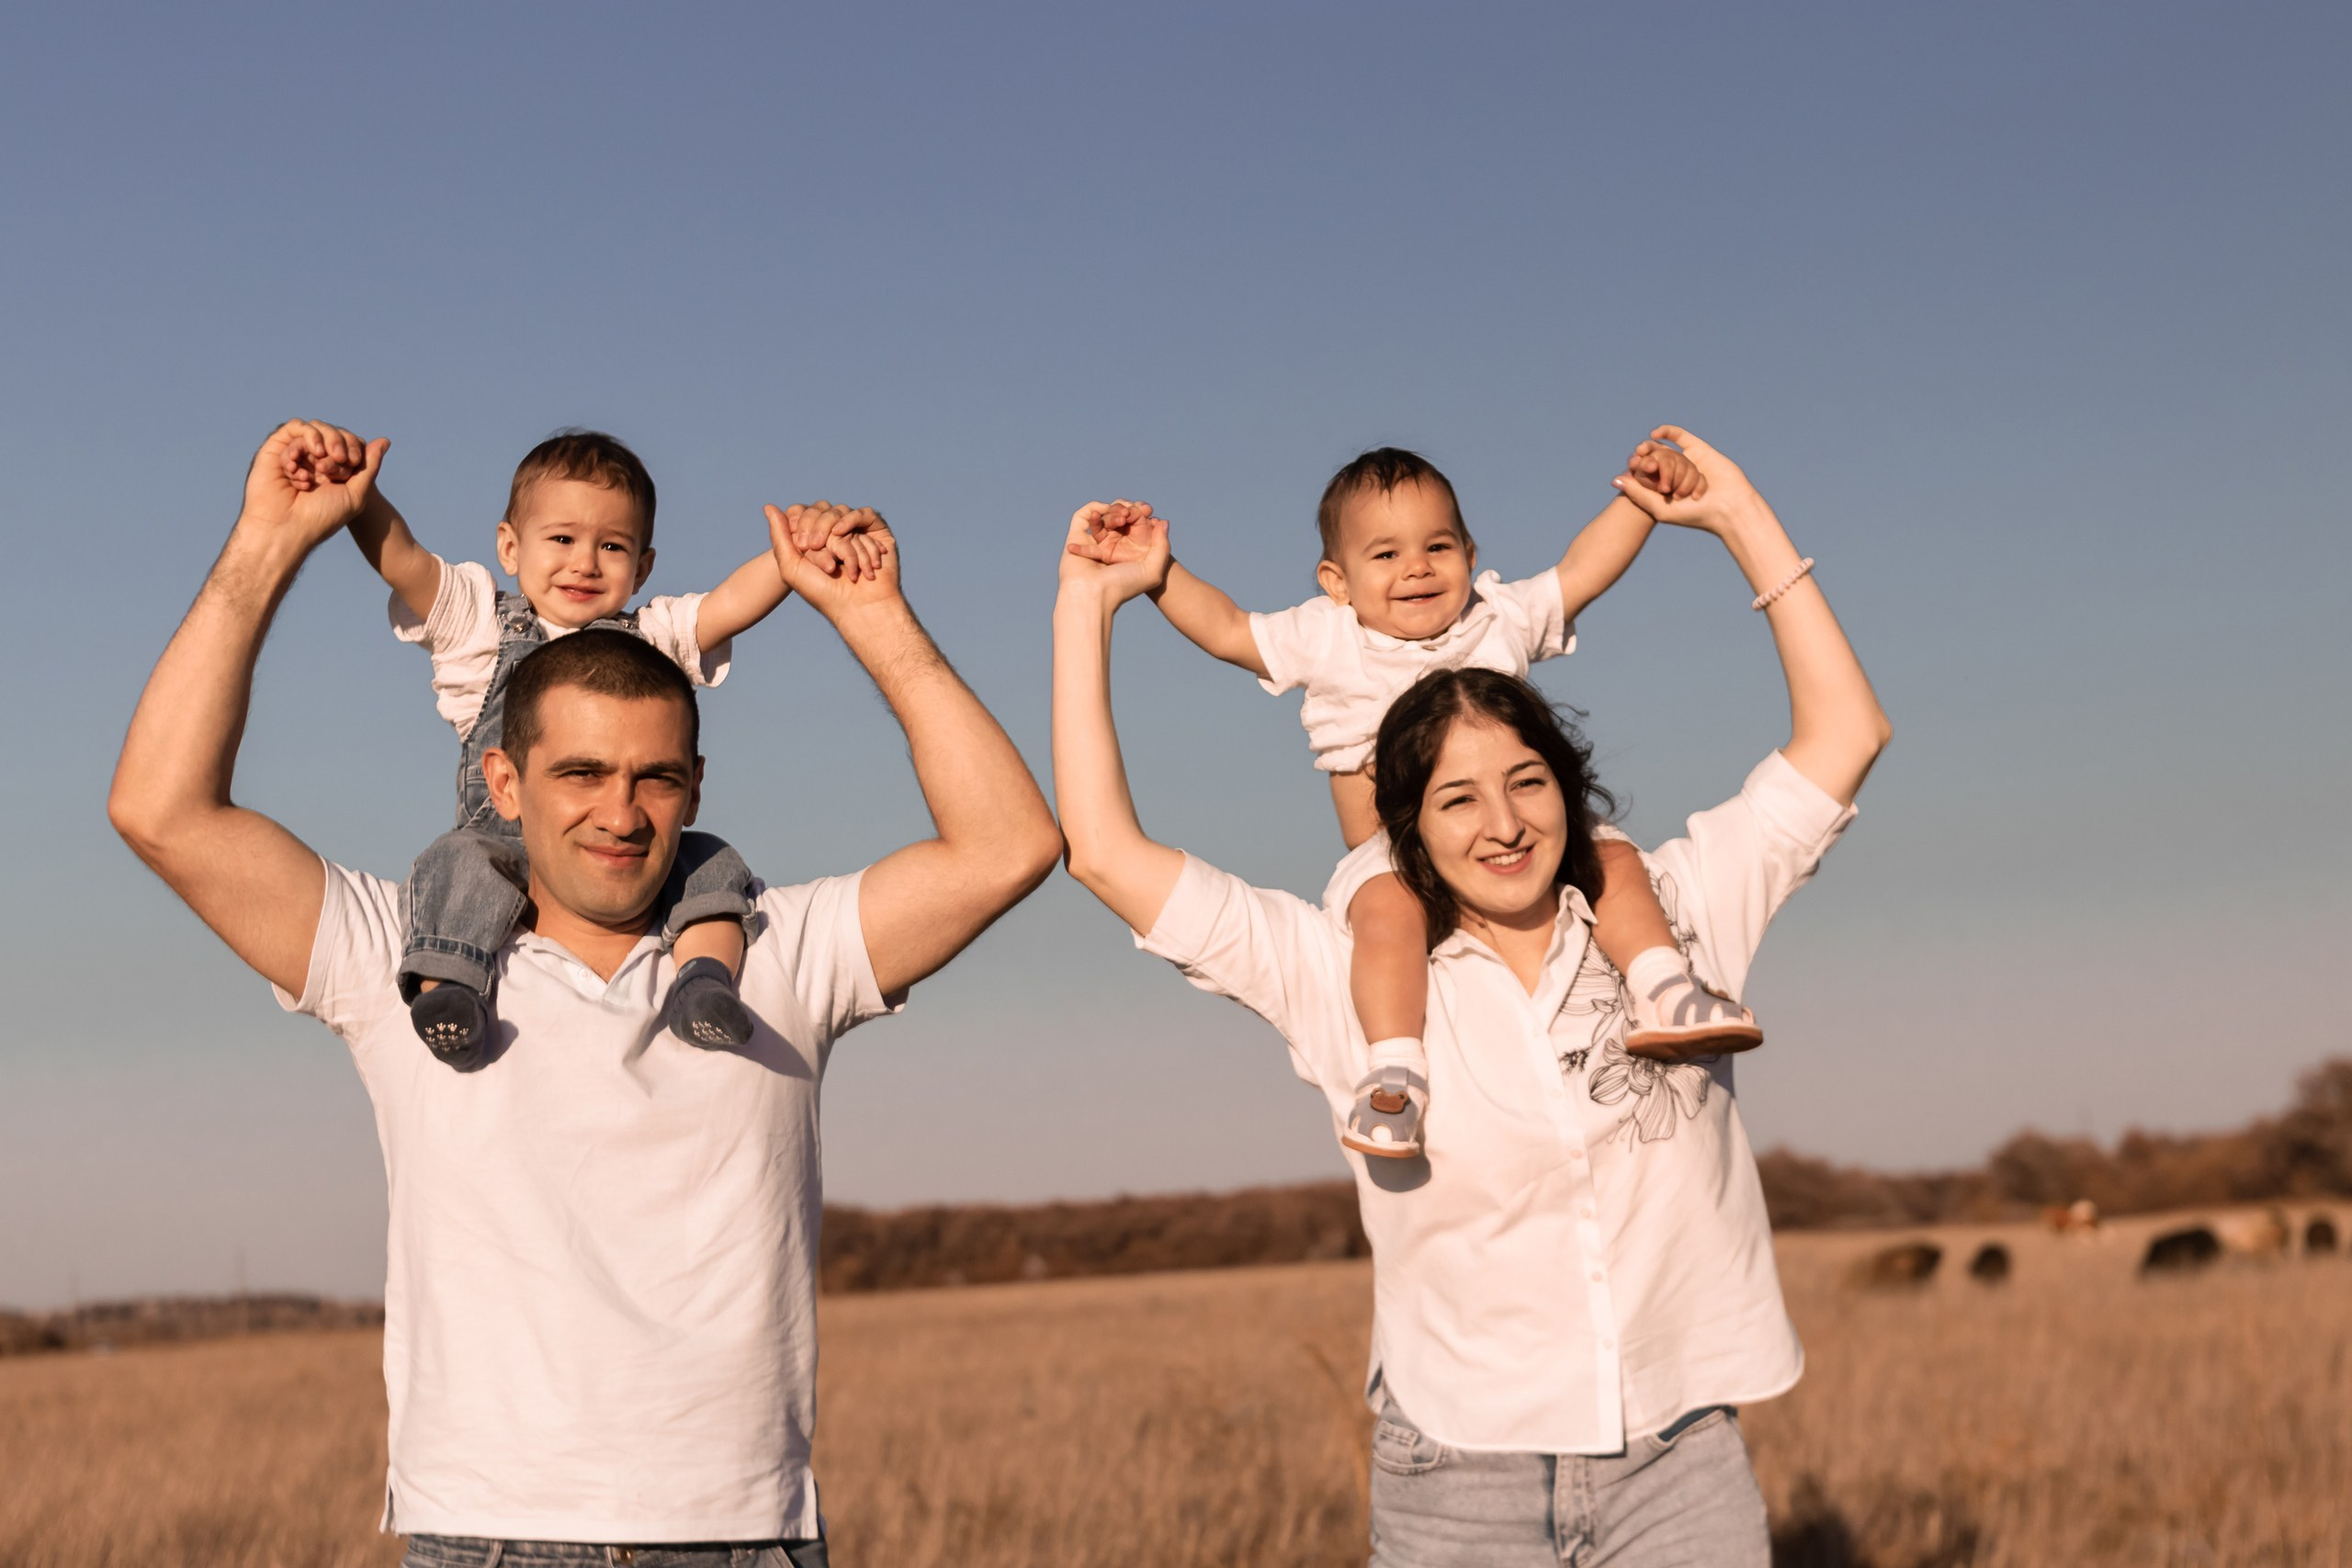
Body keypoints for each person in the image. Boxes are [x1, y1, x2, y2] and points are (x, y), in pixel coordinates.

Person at [109, 420, 1062, 1567]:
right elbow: (163, 812)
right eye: (580, 774)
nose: (620, 813)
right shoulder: (406, 957)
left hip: (741, 1537)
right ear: (500, 782)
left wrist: (871, 618)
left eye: (655, 777)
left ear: (697, 783)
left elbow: (1009, 844)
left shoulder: (779, 951)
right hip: (486, 1535)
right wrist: (268, 544)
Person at [1053, 427, 1889, 1566]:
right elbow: (1102, 851)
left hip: (1679, 1465)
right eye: (1455, 801)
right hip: (1455, 1478)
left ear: (1569, 788)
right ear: (1408, 823)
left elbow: (1846, 734)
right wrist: (1089, 608)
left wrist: (1737, 513)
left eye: (1528, 783)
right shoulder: (1341, 961)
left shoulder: (1676, 910)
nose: (1501, 824)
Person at [1130, 440, 1756, 1161]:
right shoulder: (1325, 638)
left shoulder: (1496, 617)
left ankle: (1666, 989)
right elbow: (1229, 628)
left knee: (1615, 858)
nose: (1417, 567)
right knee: (1386, 918)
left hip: (1519, 838)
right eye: (1386, 555)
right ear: (1336, 579)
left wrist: (1640, 500)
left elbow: (1578, 574)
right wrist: (1160, 574)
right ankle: (1395, 1070)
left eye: (1437, 545)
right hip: (1392, 855)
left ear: (1469, 549)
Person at [333, 427, 830, 1066]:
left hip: (622, 855)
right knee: (453, 862)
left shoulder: (653, 635)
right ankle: (449, 990)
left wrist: (790, 561)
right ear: (510, 546)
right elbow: (405, 560)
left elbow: (725, 607)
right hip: (503, 847)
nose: (585, 562)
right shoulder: (480, 627)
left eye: (612, 546)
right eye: (562, 538)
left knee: (707, 861)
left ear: (644, 566)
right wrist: (359, 500)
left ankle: (702, 980)